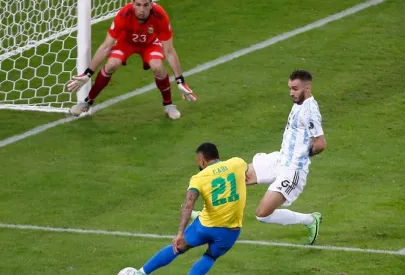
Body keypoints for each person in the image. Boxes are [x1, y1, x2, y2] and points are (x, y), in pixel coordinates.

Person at [193, 70, 326, 245]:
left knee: (262, 214)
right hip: (279, 159)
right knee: (234, 176)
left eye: (295, 88)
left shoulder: (310, 111)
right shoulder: (299, 103)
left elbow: (320, 144)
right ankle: (206, 215)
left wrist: (301, 155)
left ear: (307, 88)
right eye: (290, 88)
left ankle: (310, 220)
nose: (291, 92)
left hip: (292, 170)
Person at [66, 0, 196, 119]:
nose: (142, 9)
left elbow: (169, 51)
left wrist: (180, 81)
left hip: (150, 44)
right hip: (126, 42)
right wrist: (88, 73)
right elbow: (106, 46)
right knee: (111, 64)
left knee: (157, 66)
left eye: (145, 5)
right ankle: (87, 102)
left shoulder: (160, 15)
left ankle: (168, 105)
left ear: (151, 4)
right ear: (132, 3)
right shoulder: (124, 14)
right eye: (138, 4)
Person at [132, 142, 248, 275]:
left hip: (204, 227)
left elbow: (188, 204)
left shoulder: (199, 178)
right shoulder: (237, 163)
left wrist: (180, 233)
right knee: (210, 257)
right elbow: (248, 173)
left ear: (202, 160)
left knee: (177, 247)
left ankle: (140, 273)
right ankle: (198, 215)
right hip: (229, 232)